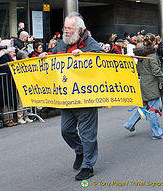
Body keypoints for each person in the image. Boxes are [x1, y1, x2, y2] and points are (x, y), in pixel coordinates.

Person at [40, 12, 103, 181]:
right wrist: (46, 57)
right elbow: (54, 59)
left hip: (86, 98)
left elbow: (103, 61)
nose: (66, 31)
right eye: (65, 28)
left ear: (79, 29)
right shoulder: (62, 44)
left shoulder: (90, 43)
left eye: (69, 28)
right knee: (66, 130)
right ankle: (80, 151)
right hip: (67, 98)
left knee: (87, 133)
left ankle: (88, 166)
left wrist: (84, 57)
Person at [124, 33, 163, 140]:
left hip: (143, 83)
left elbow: (138, 69)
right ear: (153, 42)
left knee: (144, 107)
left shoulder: (141, 54)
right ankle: (157, 133)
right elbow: (156, 71)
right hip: (151, 85)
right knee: (153, 109)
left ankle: (130, 124)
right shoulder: (152, 55)